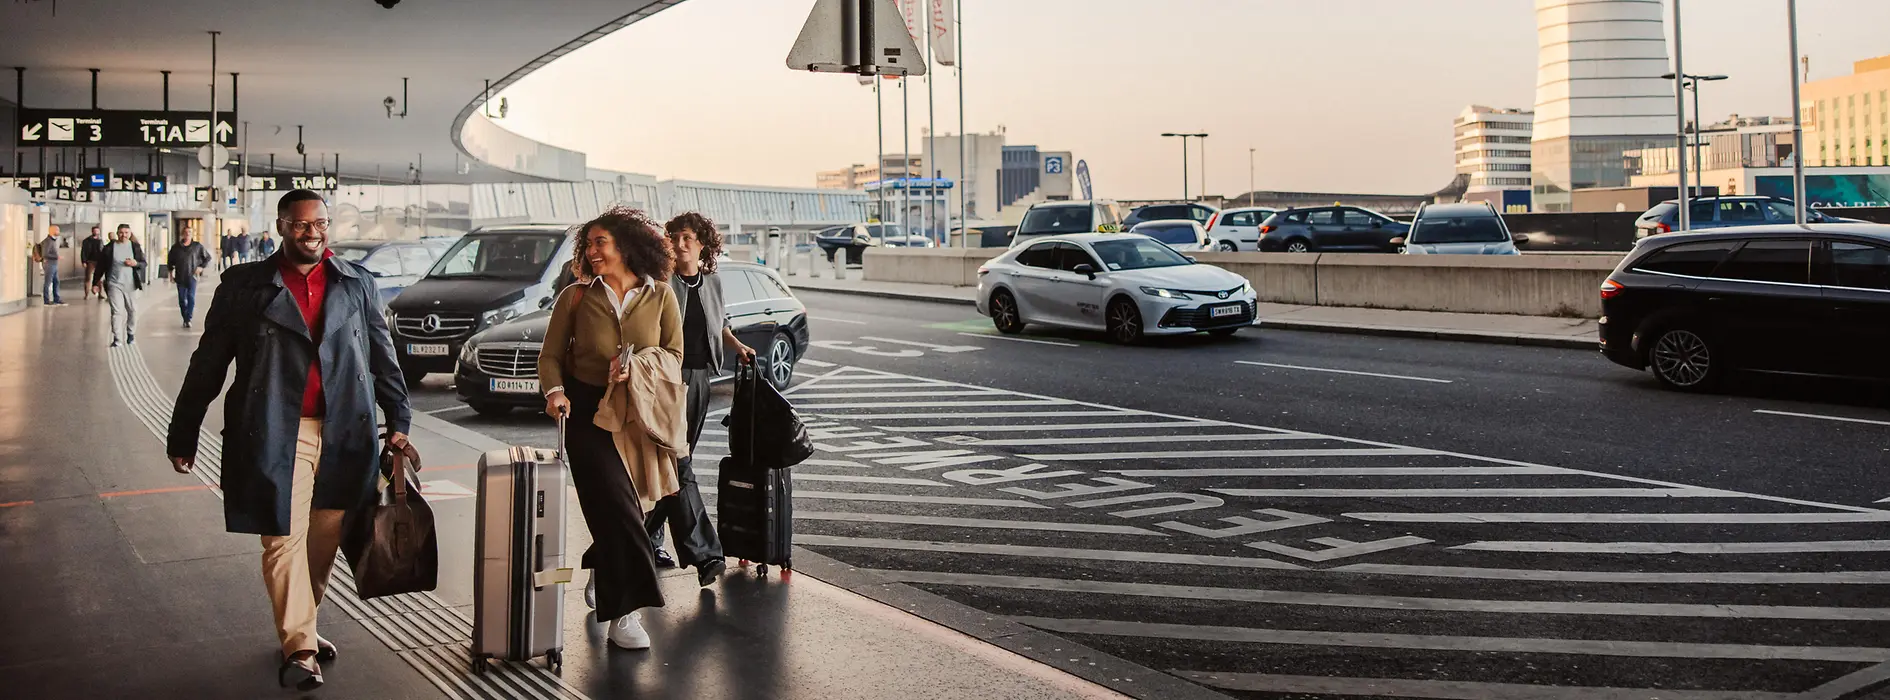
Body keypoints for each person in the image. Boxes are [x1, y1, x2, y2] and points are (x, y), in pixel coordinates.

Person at [167, 189, 412, 691]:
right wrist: (184, 429)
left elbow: (383, 357)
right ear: (281, 227)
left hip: (346, 432)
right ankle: (300, 646)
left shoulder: (356, 283)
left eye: (320, 222)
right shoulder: (244, 286)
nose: (312, 232)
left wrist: (400, 419)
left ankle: (302, 624)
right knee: (281, 537)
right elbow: (210, 362)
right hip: (275, 432)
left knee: (323, 540)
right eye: (300, 224)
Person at [538, 207, 680, 651]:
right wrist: (555, 393)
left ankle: (603, 567)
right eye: (590, 244)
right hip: (586, 416)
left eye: (602, 242)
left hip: (638, 418)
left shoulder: (661, 296)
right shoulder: (575, 297)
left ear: (627, 246)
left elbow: (673, 357)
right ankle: (626, 614)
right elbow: (550, 356)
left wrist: (635, 367)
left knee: (628, 512)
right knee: (618, 509)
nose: (593, 251)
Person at [649, 212, 756, 583]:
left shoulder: (712, 282)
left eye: (687, 238)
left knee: (679, 461)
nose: (679, 244)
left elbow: (719, 323)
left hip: (698, 379)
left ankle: (648, 538)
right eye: (674, 237)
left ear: (703, 246)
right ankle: (704, 553)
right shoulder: (662, 281)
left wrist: (738, 346)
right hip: (666, 379)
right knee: (677, 461)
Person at [91, 224, 146, 346]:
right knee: (117, 312)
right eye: (121, 232)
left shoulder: (135, 247)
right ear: (117, 233)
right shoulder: (109, 248)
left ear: (130, 234)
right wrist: (95, 283)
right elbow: (100, 266)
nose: (123, 235)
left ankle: (130, 334)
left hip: (131, 285)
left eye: (126, 233)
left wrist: (135, 263)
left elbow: (143, 263)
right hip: (114, 284)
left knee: (132, 311)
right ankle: (117, 339)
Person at [167, 227, 213, 328]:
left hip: (192, 276)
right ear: (182, 234)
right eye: (186, 232)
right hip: (180, 276)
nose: (187, 234)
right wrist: (171, 274)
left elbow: (207, 258)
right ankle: (185, 317)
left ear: (193, 234)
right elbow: (170, 261)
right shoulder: (176, 248)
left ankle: (189, 318)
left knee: (191, 297)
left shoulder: (197, 246)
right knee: (182, 299)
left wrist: (201, 268)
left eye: (190, 232)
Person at [34, 225, 64, 306]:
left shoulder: (53, 240)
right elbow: (45, 254)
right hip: (49, 264)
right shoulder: (48, 241)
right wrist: (57, 257)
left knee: (56, 281)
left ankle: (56, 299)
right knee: (48, 282)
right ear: (52, 231)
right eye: (57, 230)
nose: (59, 231)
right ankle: (46, 301)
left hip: (53, 264)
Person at [80, 226, 103, 300]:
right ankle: (86, 294)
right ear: (92, 231)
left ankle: (100, 294)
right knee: (88, 278)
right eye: (95, 231)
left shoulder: (100, 240)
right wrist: (83, 261)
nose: (96, 232)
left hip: (99, 261)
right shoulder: (87, 241)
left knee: (99, 278)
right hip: (90, 261)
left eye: (97, 231)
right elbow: (83, 252)